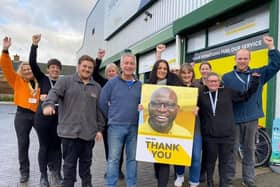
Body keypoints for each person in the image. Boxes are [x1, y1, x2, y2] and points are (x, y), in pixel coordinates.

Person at [222, 35, 280, 187]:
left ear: (249, 59)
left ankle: (249, 180)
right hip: (233, 120)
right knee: (231, 152)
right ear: (235, 59)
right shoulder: (226, 78)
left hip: (252, 119)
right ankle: (227, 180)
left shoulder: (258, 74)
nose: (242, 61)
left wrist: (271, 47)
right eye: (239, 58)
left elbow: (276, 65)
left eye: (245, 58)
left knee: (249, 151)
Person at [42, 55, 105, 187]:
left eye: (90, 67)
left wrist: (99, 129)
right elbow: (54, 93)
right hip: (69, 134)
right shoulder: (66, 81)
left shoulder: (97, 87)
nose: (87, 69)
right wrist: (49, 104)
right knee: (69, 167)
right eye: (84, 66)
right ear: (78, 66)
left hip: (88, 134)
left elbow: (99, 110)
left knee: (86, 167)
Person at [198, 72, 259, 187]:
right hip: (210, 136)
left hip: (227, 136)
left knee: (224, 163)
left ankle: (223, 183)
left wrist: (255, 81)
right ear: (206, 82)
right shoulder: (201, 95)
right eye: (211, 81)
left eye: (215, 81)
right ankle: (210, 182)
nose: (213, 83)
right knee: (210, 161)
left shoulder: (228, 92)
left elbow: (245, 96)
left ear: (219, 82)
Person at [0, 36, 40, 183]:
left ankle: (49, 168)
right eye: (25, 69)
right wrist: (5, 50)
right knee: (23, 144)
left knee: (46, 141)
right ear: (21, 71)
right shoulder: (17, 80)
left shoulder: (39, 81)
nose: (28, 70)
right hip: (22, 115)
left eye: (29, 68)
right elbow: (5, 67)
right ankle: (24, 172)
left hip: (38, 115)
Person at [98, 53, 142, 187]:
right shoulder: (112, 83)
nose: (129, 66)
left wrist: (142, 107)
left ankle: (131, 184)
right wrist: (111, 116)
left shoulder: (140, 85)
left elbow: (145, 104)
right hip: (115, 127)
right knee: (113, 160)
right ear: (121, 65)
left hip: (134, 127)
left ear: (135, 65)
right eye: (126, 63)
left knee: (133, 159)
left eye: (131, 63)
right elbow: (102, 102)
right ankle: (111, 184)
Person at [29, 34, 63, 187]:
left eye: (57, 68)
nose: (55, 70)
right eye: (52, 68)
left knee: (57, 147)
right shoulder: (42, 79)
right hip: (42, 120)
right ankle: (43, 176)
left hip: (58, 120)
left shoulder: (64, 82)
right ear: (48, 70)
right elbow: (32, 63)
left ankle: (57, 171)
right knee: (44, 146)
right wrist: (34, 45)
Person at [147, 56, 183, 187]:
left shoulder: (175, 83)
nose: (162, 70)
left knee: (164, 160)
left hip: (169, 128)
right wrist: (141, 106)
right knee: (157, 160)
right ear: (155, 69)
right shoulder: (149, 84)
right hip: (153, 129)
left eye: (165, 68)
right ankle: (159, 178)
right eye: (159, 68)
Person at [173, 63, 202, 187]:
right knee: (180, 154)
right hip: (179, 126)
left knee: (196, 155)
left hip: (195, 127)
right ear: (180, 74)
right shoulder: (175, 88)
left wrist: (198, 108)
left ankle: (194, 181)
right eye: (183, 73)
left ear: (192, 74)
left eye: (189, 72)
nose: (186, 75)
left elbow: (206, 105)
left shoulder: (199, 87)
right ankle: (179, 176)